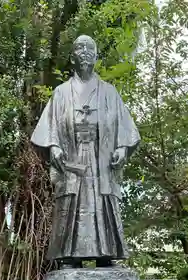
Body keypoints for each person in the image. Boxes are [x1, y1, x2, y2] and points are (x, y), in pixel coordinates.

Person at [31, 35, 140, 268]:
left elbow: (124, 126)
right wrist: (54, 146)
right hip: (72, 156)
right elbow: (48, 128)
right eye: (79, 47)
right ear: (72, 56)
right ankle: (69, 255)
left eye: (89, 47)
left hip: (101, 161)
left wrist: (121, 147)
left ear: (96, 55)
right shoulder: (61, 93)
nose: (84, 51)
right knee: (71, 200)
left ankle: (106, 253)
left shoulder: (109, 93)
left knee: (102, 200)